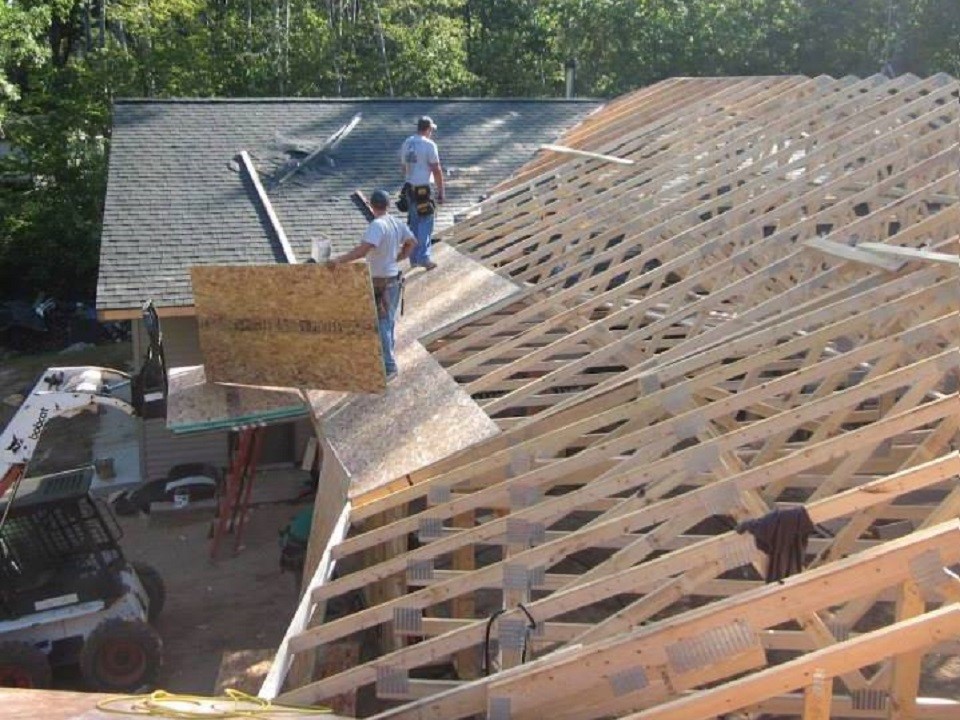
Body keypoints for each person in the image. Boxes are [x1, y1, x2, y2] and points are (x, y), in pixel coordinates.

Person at [326, 189, 416, 381]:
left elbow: (363, 250)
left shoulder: (377, 225)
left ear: (370, 205)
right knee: (389, 322)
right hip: (393, 279)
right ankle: (387, 361)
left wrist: (339, 261)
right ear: (388, 204)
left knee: (382, 323)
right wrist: (398, 258)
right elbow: (412, 242)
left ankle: (389, 367)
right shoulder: (395, 223)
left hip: (380, 283)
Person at [400, 115, 445, 271]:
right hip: (424, 189)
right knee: (426, 223)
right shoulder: (429, 145)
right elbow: (436, 169)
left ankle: (413, 259)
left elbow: (403, 167)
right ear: (428, 129)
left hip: (410, 189)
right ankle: (424, 258)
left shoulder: (407, 143)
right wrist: (441, 191)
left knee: (413, 224)